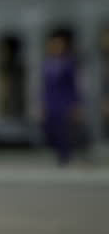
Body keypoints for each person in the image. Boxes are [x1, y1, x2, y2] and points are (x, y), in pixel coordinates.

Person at [42, 31, 82, 167]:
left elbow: (74, 86)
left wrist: (76, 104)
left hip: (65, 102)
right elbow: (44, 87)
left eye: (59, 45)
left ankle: (64, 158)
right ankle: (59, 155)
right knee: (51, 129)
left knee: (64, 131)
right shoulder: (47, 64)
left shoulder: (68, 63)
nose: (56, 47)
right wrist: (42, 104)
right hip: (51, 102)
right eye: (54, 44)